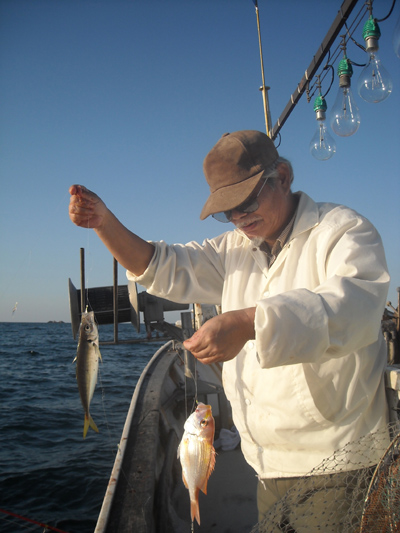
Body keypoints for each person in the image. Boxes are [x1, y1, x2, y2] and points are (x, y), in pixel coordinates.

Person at [69, 130, 390, 529]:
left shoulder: (342, 231)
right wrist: (104, 223)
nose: (240, 218)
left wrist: (247, 322)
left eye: (247, 201)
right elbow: (166, 266)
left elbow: (352, 307)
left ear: (284, 177)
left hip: (339, 463)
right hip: (266, 463)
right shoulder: (233, 248)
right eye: (227, 211)